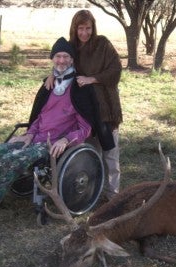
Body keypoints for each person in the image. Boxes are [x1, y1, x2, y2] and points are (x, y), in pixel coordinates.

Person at [0, 37, 114, 240]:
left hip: (54, 143)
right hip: (36, 138)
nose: (61, 60)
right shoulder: (48, 84)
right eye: (57, 56)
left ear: (71, 60)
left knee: (10, 161)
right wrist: (29, 134)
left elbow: (86, 127)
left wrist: (66, 140)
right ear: (53, 59)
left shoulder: (80, 89)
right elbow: (38, 117)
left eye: (65, 57)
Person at [45, 10, 123, 200]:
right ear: (75, 28)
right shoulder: (72, 47)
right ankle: (90, 192)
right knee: (88, 153)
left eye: (88, 28)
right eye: (81, 28)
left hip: (104, 107)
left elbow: (116, 70)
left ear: (93, 28)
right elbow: (62, 64)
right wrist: (51, 74)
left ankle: (113, 194)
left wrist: (92, 79)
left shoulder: (102, 44)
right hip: (83, 110)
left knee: (110, 154)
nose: (85, 33)